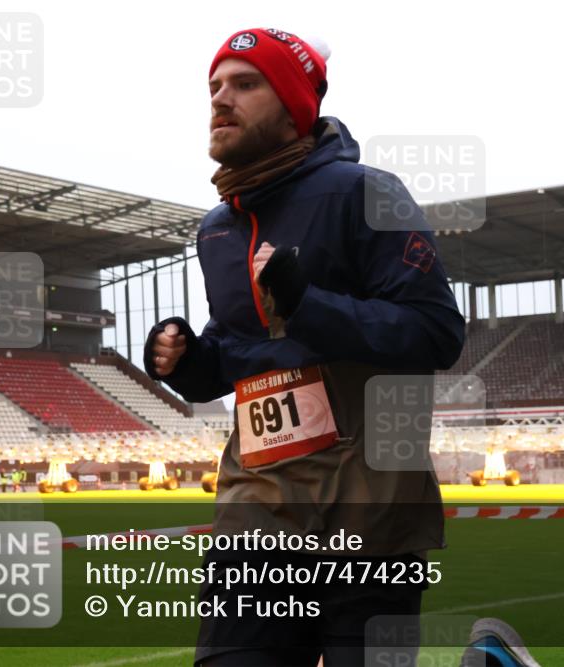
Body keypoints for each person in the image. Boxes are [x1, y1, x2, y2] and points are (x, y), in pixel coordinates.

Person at [144, 27, 466, 666]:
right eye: (213, 87)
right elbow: (239, 354)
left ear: (295, 103)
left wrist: (307, 304)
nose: (219, 99)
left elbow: (435, 334)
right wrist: (187, 361)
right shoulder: (216, 229)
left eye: (244, 83)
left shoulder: (365, 193)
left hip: (369, 519)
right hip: (255, 516)